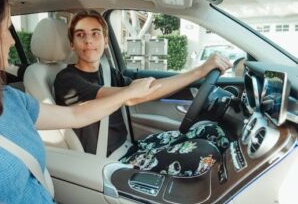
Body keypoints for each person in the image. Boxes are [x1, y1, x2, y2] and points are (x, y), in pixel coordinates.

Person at [0, 0, 161, 204]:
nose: (11, 40)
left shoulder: (8, 98)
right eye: (6, 29)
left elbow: (76, 114)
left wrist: (129, 92)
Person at [54, 10, 232, 176]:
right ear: (72, 44)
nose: (88, 41)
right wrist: (199, 71)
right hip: (110, 161)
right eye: (80, 35)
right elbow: (132, 96)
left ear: (106, 40)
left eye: (95, 33)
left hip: (131, 148)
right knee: (204, 154)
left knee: (212, 131)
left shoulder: (107, 72)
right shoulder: (67, 80)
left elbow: (147, 89)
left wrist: (197, 76)